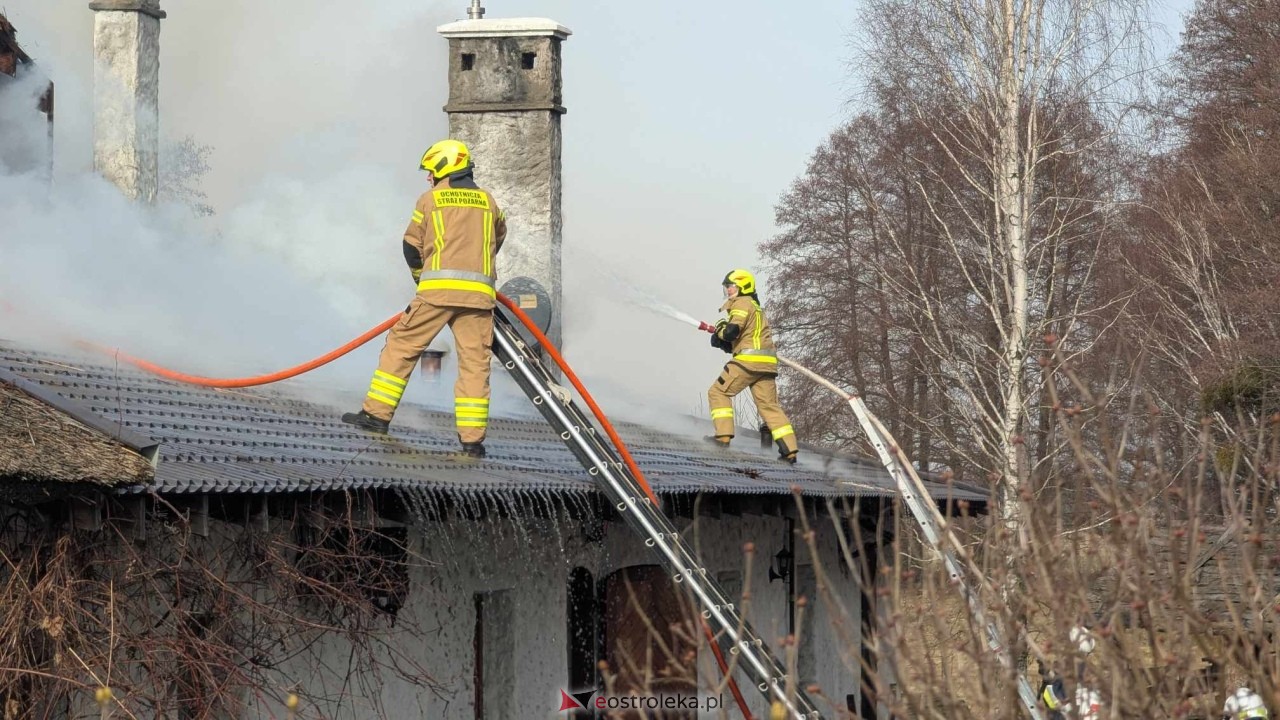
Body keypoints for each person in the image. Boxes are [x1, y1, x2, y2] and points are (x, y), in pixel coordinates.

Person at [342, 139, 507, 458]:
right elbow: (497, 239)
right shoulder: (489, 202)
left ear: (446, 167)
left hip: (437, 293)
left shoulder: (431, 200)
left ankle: (376, 415)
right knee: (475, 364)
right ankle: (472, 442)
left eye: (431, 170)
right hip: (479, 299)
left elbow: (409, 246)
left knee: (402, 346)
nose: (428, 177)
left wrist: (422, 281)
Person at [706, 269, 798, 464]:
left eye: (731, 287)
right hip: (767, 366)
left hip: (748, 362)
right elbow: (744, 338)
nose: (728, 291)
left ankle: (722, 437)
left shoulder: (742, 303)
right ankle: (789, 451)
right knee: (769, 406)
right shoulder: (757, 309)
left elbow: (732, 331)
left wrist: (721, 329)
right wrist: (723, 342)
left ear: (743, 286)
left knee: (718, 392)